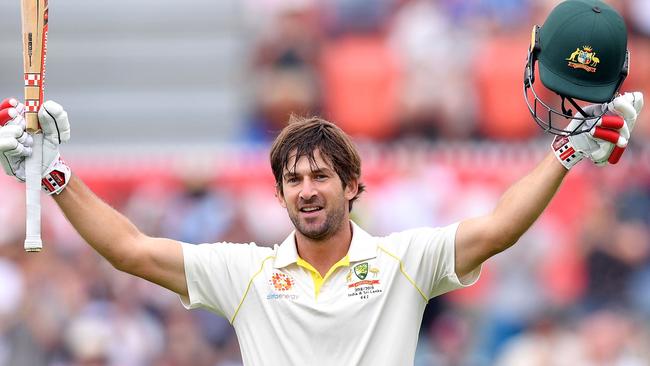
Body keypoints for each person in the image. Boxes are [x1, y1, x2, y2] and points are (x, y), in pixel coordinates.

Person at [0, 0, 644, 365]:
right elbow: (129, 249)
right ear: (279, 195)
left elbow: (500, 226)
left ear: (353, 186)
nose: (307, 189)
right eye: (294, 180)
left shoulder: (404, 263)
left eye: (322, 177)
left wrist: (568, 149)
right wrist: (55, 175)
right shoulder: (246, 272)